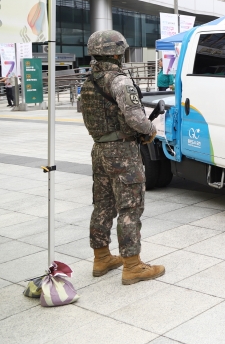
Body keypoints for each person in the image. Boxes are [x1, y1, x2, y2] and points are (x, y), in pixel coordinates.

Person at [81, 30, 164, 285]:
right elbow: (136, 118)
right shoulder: (119, 81)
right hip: (123, 153)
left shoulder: (88, 82)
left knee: (103, 205)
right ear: (117, 53)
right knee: (130, 207)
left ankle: (102, 257)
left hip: (99, 150)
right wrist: (150, 130)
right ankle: (132, 265)